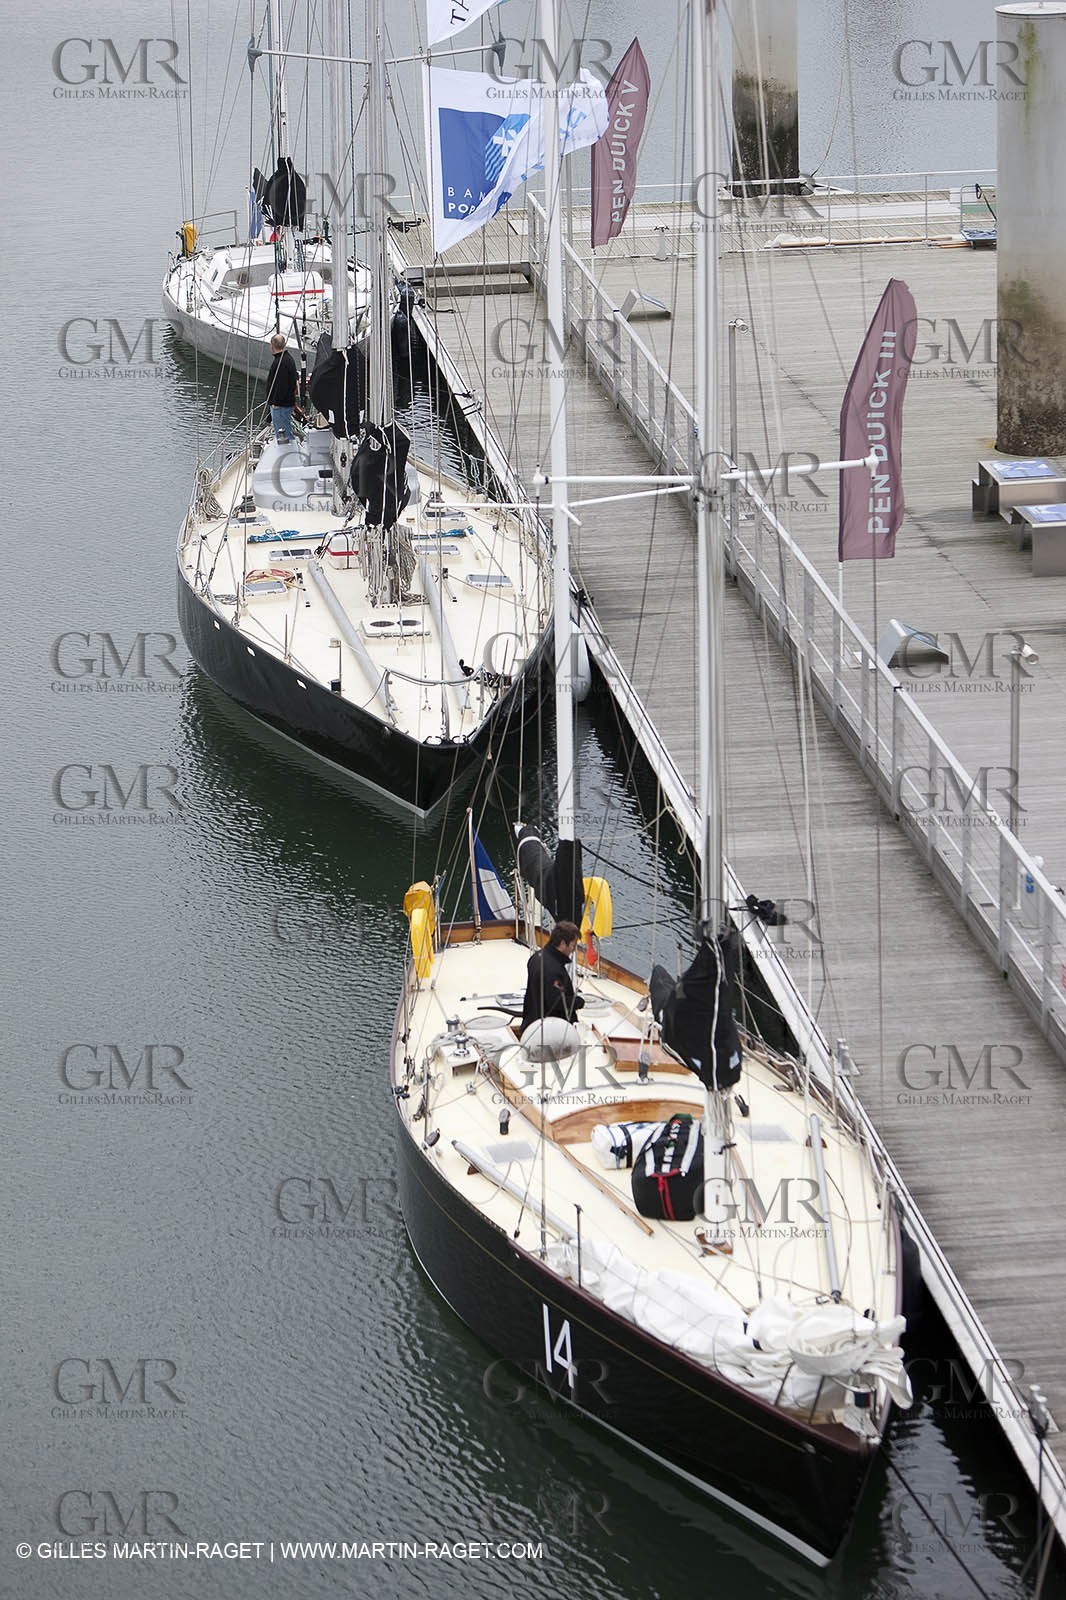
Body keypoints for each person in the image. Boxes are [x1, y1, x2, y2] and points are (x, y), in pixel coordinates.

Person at [520, 921, 586, 1033]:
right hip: (550, 1031)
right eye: (573, 945)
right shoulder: (554, 970)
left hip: (532, 1022)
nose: (574, 949)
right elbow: (557, 1002)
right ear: (562, 943)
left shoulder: (536, 957)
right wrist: (578, 1002)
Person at [265, 333, 299, 443]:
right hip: (284, 404)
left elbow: (281, 386)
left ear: (272, 345)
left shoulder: (281, 362)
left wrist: (276, 403)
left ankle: (288, 451)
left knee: (284, 435)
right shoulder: (287, 359)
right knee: (284, 432)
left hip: (281, 406)